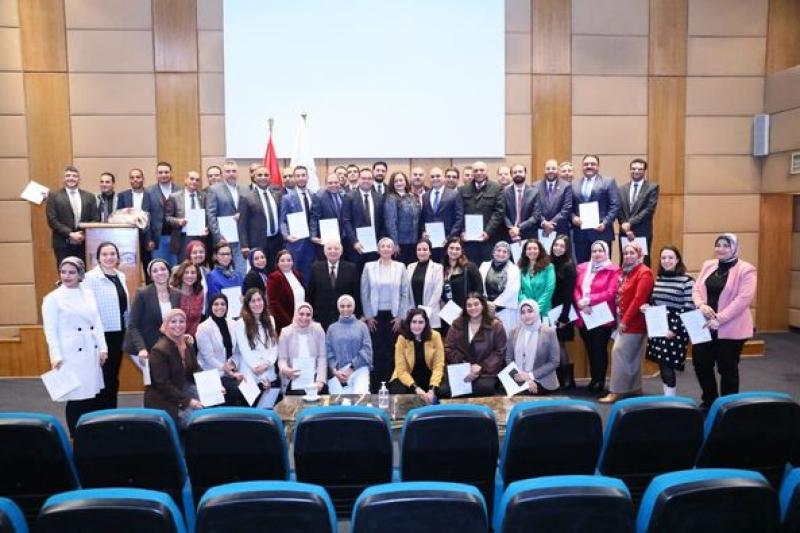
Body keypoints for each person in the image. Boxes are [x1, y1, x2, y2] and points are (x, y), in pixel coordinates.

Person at [42, 257, 107, 436]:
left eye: (72, 272)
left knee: (91, 395)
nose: (66, 276)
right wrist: (56, 356)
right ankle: (74, 435)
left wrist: (103, 348)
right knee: (76, 398)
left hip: (91, 351)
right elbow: (50, 331)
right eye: (63, 272)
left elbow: (97, 322)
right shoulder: (53, 298)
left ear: (80, 274)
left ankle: (89, 433)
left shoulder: (88, 293)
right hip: (70, 354)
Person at [691, 233, 757, 408]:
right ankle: (710, 401)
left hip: (730, 327)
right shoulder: (708, 265)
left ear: (734, 248)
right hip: (704, 325)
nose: (720, 249)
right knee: (701, 364)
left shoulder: (746, 269)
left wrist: (719, 319)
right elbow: (696, 290)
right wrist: (700, 305)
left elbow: (743, 300)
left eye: (726, 245)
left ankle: (728, 406)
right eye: (718, 245)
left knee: (727, 368)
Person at [599, 241, 654, 404]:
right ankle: (634, 387)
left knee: (619, 353)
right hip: (623, 318)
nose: (628, 256)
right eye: (626, 253)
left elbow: (638, 299)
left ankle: (616, 391)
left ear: (639, 255)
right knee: (632, 356)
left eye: (632, 253)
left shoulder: (644, 272)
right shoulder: (627, 271)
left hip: (634, 321)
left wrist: (625, 321)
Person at [361, 237, 412, 391]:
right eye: (382, 246)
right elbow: (364, 293)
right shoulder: (369, 267)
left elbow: (405, 293)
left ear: (393, 249)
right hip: (374, 317)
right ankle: (375, 387)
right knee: (377, 351)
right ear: (378, 250)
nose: (385, 249)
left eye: (389, 246)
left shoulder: (401, 267)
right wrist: (368, 316)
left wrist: (401, 317)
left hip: (394, 317)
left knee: (392, 351)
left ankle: (392, 386)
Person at [643, 246, 695, 396]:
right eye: (663, 258)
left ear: (677, 260)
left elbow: (689, 308)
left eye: (670, 257)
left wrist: (674, 329)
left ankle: (671, 399)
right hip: (659, 325)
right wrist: (648, 306)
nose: (667, 261)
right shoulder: (659, 278)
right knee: (661, 362)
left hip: (676, 327)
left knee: (667, 363)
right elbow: (655, 302)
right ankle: (668, 395)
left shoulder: (687, 280)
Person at [84, 242, 129, 409]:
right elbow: (88, 310)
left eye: (112, 254)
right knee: (102, 377)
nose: (109, 257)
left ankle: (111, 413)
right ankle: (99, 414)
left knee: (112, 376)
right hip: (101, 335)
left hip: (118, 333)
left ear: (117, 257)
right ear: (98, 258)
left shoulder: (120, 276)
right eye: (104, 254)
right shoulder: (90, 278)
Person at [574, 241, 620, 394]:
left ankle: (599, 380)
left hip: (602, 316)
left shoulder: (614, 269)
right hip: (584, 315)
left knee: (599, 349)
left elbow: (611, 292)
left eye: (600, 251)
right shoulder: (581, 267)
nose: (597, 254)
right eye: (594, 251)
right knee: (589, 348)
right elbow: (576, 288)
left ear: (606, 252)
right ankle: (593, 379)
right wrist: (580, 302)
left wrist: (589, 300)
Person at [144, 309, 203, 428]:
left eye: (181, 321)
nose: (178, 325)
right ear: (166, 324)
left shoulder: (187, 345)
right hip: (163, 398)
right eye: (173, 321)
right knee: (196, 420)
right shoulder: (159, 350)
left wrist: (213, 385)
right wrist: (188, 401)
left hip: (181, 388)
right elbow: (162, 385)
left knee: (211, 403)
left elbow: (196, 369)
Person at [443, 293, 506, 397]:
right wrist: (465, 366)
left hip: (486, 372)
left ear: (483, 305)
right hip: (462, 370)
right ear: (465, 308)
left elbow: (500, 351)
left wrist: (481, 366)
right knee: (443, 391)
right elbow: (448, 348)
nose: (473, 308)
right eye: (469, 305)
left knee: (484, 388)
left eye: (476, 304)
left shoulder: (496, 326)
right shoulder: (457, 324)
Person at [124, 258, 181, 370]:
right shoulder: (142, 294)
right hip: (142, 346)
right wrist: (141, 349)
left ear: (169, 272)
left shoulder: (177, 294)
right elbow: (133, 325)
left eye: (163, 269)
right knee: (152, 377)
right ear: (151, 276)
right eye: (155, 271)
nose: (160, 273)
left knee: (162, 377)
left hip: (163, 347)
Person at [195, 293, 247, 406]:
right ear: (210, 306)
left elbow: (238, 350)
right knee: (235, 390)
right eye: (216, 304)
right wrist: (227, 369)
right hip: (211, 372)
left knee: (247, 389)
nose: (220, 307)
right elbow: (208, 357)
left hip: (230, 371)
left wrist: (233, 363)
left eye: (223, 304)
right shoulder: (203, 327)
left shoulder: (233, 324)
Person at [234, 288, 281, 408]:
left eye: (259, 300)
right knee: (251, 413)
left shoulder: (271, 319)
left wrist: (268, 364)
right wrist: (260, 372)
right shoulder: (240, 324)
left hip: (269, 373)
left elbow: (274, 347)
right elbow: (245, 350)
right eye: (253, 301)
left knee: (269, 411)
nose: (257, 304)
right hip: (250, 376)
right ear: (247, 304)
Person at [570, 155, 620, 263]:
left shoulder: (608, 182)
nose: (589, 166)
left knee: (602, 267)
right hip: (581, 234)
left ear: (598, 166)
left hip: (601, 232)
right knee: (582, 267)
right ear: (582, 167)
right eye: (586, 164)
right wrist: (573, 217)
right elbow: (569, 207)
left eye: (592, 164)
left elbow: (615, 206)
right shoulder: (574, 185)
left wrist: (605, 223)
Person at [388, 308, 444, 403]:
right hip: (407, 376)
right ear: (409, 323)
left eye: (420, 322)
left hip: (429, 375)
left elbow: (438, 366)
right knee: (399, 391)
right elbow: (401, 370)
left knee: (444, 391)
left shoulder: (435, 336)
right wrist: (416, 388)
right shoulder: (402, 338)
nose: (417, 326)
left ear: (426, 323)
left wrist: (432, 389)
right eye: (414, 322)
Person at [46, 166, 99, 264]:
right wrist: (70, 234)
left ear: (79, 179)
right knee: (66, 271)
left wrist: (82, 235)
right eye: (68, 176)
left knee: (84, 271)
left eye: (74, 176)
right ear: (64, 179)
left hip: (84, 243)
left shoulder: (89, 196)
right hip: (63, 243)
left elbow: (95, 219)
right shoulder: (54, 196)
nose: (71, 178)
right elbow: (52, 220)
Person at [506, 300, 560, 395]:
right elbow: (508, 358)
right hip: (517, 377)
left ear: (537, 312)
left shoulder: (549, 332)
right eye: (523, 312)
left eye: (530, 311)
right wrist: (522, 378)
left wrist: (530, 376)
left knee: (526, 393)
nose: (526, 315)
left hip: (542, 379)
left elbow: (554, 361)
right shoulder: (514, 331)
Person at [306, 240, 361, 330]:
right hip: (321, 318)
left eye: (336, 249)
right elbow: (310, 294)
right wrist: (310, 315)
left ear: (341, 252)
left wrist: (358, 315)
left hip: (344, 317)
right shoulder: (315, 268)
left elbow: (356, 294)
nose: (333, 251)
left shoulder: (351, 268)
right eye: (329, 249)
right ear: (324, 252)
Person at [238, 165, 283, 273]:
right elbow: (242, 224)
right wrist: (244, 245)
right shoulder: (246, 197)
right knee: (260, 272)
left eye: (266, 175)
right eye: (260, 175)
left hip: (277, 241)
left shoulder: (277, 194)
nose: (263, 177)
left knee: (276, 271)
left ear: (270, 177)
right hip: (257, 242)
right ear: (254, 177)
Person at [207, 161, 248, 277]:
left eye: (234, 171)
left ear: (238, 173)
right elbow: (211, 215)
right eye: (228, 171)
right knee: (223, 272)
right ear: (223, 174)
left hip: (241, 238)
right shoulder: (214, 189)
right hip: (224, 239)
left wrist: (242, 215)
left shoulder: (245, 189)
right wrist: (218, 236)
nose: (231, 174)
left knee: (241, 271)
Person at [460, 161, 505, 264]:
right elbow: (460, 213)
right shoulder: (463, 189)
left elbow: (499, 212)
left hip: (489, 238)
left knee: (487, 268)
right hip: (469, 240)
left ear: (487, 172)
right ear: (472, 172)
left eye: (481, 170)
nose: (479, 173)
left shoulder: (497, 188)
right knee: (470, 267)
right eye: (476, 170)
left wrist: (488, 232)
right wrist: (462, 231)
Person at [278, 302, 327, 395]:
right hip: (293, 378)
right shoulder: (285, 332)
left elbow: (322, 357)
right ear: (296, 314)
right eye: (301, 314)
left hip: (315, 378)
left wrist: (320, 381)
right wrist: (285, 369)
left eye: (308, 315)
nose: (304, 317)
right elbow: (282, 359)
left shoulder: (318, 329)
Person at [326, 295, 373, 394]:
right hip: (339, 373)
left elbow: (367, 350)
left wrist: (352, 368)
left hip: (360, 369)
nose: (345, 309)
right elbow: (329, 352)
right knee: (340, 403)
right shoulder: (332, 328)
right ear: (338, 307)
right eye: (342, 306)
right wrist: (335, 371)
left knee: (360, 400)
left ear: (353, 307)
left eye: (349, 306)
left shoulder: (362, 326)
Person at [617, 158, 659, 265]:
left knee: (643, 262)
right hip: (625, 233)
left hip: (642, 232)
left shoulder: (652, 188)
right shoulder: (621, 189)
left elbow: (649, 210)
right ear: (630, 170)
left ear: (644, 171)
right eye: (633, 169)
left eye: (640, 169)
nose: (636, 171)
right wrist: (625, 227)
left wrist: (630, 223)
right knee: (625, 262)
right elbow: (619, 210)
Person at [279, 165, 315, 283]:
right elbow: (282, 221)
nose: (301, 178)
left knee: (309, 275)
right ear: (294, 178)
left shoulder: (313, 195)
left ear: (307, 177)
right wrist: (287, 236)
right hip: (295, 243)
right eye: (298, 176)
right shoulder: (287, 198)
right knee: (294, 274)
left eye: (303, 175)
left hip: (312, 243)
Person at [550, 235, 577, 389]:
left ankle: (568, 380)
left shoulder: (569, 266)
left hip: (562, 311)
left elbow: (569, 294)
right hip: (550, 309)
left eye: (561, 246)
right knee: (553, 345)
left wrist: (564, 317)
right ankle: (558, 379)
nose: (558, 248)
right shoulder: (549, 263)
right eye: (556, 245)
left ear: (566, 249)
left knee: (560, 344)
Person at [441, 237, 483, 337]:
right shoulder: (441, 268)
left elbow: (479, 290)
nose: (454, 251)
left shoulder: (470, 267)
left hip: (466, 312)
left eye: (457, 249)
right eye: (451, 248)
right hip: (447, 314)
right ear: (446, 249)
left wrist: (471, 307)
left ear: (462, 251)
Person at [342, 167, 384, 266]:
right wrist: (354, 241)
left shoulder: (379, 197)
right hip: (356, 246)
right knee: (356, 273)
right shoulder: (349, 197)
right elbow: (346, 221)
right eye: (363, 178)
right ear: (359, 179)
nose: (366, 181)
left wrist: (380, 241)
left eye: (369, 178)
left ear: (372, 180)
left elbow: (382, 221)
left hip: (374, 246)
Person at [421, 167, 464, 262]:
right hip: (430, 241)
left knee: (445, 266)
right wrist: (423, 231)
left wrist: (449, 238)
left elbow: (459, 218)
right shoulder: (425, 196)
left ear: (443, 178)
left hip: (448, 241)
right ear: (429, 179)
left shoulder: (454, 194)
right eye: (432, 176)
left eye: (438, 176)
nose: (435, 178)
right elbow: (423, 217)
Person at [479, 241, 521, 336]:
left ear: (509, 255)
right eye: (498, 250)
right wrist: (487, 303)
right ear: (494, 252)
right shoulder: (484, 265)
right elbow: (479, 286)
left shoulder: (514, 269)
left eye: (505, 252)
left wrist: (495, 304)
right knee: (487, 337)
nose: (501, 254)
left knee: (506, 337)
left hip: (505, 309)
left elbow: (513, 290)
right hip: (486, 307)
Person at [165, 171, 208, 262]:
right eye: (191, 179)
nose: (194, 182)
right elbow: (167, 218)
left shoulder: (204, 196)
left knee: (199, 264)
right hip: (183, 238)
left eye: (197, 180)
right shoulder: (174, 197)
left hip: (200, 237)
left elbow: (207, 216)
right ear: (185, 180)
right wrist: (178, 221)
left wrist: (207, 228)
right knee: (184, 265)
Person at [144, 161, 181, 267]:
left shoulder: (180, 190)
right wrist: (148, 239)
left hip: (176, 237)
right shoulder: (148, 191)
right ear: (156, 174)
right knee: (160, 268)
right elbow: (145, 217)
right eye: (160, 172)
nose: (163, 175)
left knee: (177, 269)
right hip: (157, 239)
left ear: (171, 174)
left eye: (166, 172)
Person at [384, 171, 422, 264]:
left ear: (405, 182)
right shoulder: (391, 198)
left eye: (401, 180)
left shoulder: (413, 197)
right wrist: (395, 243)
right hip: (400, 243)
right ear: (392, 184)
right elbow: (391, 222)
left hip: (415, 240)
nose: (399, 183)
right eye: (396, 181)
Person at [406, 238, 444, 329]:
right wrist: (411, 310)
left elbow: (437, 292)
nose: (421, 252)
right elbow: (407, 291)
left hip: (430, 313)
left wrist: (424, 312)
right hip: (413, 314)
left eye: (425, 249)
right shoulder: (410, 267)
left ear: (430, 252)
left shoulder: (437, 268)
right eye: (419, 249)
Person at [266, 249, 306, 334]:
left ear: (292, 262)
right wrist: (289, 323)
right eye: (282, 260)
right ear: (277, 263)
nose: (286, 263)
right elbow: (273, 303)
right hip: (286, 323)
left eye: (289, 260)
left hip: (301, 320)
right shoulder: (274, 277)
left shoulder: (296, 274)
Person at [534, 159, 573, 240]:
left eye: (553, 168)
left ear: (558, 170)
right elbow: (534, 208)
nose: (550, 171)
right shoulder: (535, 186)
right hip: (541, 229)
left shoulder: (566, 186)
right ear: (544, 170)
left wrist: (552, 223)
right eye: (548, 168)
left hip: (560, 229)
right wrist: (544, 222)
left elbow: (567, 208)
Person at [310, 172, 347, 258]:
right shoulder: (319, 197)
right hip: (327, 238)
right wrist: (313, 235)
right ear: (325, 184)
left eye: (336, 182)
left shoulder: (344, 195)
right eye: (330, 183)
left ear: (339, 183)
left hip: (343, 237)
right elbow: (314, 217)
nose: (333, 185)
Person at [518, 239, 556, 317]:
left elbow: (549, 289)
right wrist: (527, 307)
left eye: (535, 248)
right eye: (529, 249)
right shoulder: (520, 268)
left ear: (540, 251)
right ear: (525, 252)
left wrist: (536, 308)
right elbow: (519, 290)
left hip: (544, 309)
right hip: (526, 311)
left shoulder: (549, 267)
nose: (532, 251)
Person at [503, 163, 537, 242]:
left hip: (528, 233)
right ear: (511, 175)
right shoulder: (504, 192)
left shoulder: (534, 192)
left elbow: (536, 215)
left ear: (525, 173)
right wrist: (511, 228)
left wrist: (519, 228)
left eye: (520, 171)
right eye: (515, 172)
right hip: (509, 233)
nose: (517, 174)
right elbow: (502, 213)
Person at [170, 261, 204, 336]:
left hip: (191, 337)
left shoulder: (199, 293)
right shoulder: (172, 292)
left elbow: (197, 319)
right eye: (186, 272)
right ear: (181, 274)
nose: (189, 275)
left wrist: (189, 337)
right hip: (173, 336)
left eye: (193, 273)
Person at [205, 242, 243, 309]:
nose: (226, 257)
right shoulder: (211, 276)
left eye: (228, 254)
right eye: (222, 254)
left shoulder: (238, 275)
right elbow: (214, 300)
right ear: (216, 256)